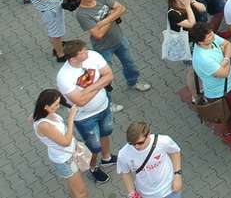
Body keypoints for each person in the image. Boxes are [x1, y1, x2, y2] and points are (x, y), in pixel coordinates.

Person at [70, 0, 150, 92]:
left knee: (130, 64)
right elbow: (98, 34)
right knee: (105, 76)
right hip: (103, 48)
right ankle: (108, 101)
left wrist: (102, 22)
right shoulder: (82, 14)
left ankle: (133, 82)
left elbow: (121, 8)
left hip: (119, 39)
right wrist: (112, 16)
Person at [55, 40, 114, 183]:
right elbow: (80, 102)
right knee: (94, 147)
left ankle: (107, 158)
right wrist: (100, 84)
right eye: (83, 52)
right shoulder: (64, 77)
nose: (87, 52)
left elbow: (109, 75)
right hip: (85, 118)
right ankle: (92, 167)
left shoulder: (93, 56)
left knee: (106, 133)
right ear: (73, 58)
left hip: (104, 106)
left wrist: (88, 90)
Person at [189, 22, 231, 144]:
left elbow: (228, 44)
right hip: (219, 92)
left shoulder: (211, 39)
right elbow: (223, 73)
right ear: (200, 42)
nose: (213, 35)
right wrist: (227, 57)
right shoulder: (203, 58)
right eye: (209, 35)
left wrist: (225, 59)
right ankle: (227, 133)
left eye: (211, 32)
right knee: (224, 115)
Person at [33, 87, 92, 194]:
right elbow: (65, 142)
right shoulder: (44, 125)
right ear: (45, 106)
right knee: (81, 192)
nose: (58, 106)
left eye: (58, 103)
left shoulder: (44, 114)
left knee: (74, 189)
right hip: (65, 160)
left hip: (68, 154)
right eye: (55, 105)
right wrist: (70, 119)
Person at [116, 121, 181, 198]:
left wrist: (177, 175)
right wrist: (132, 193)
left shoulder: (163, 141)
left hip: (170, 189)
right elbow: (126, 173)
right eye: (132, 143)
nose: (136, 146)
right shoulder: (124, 154)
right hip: (146, 194)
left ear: (148, 135)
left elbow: (175, 152)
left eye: (140, 143)